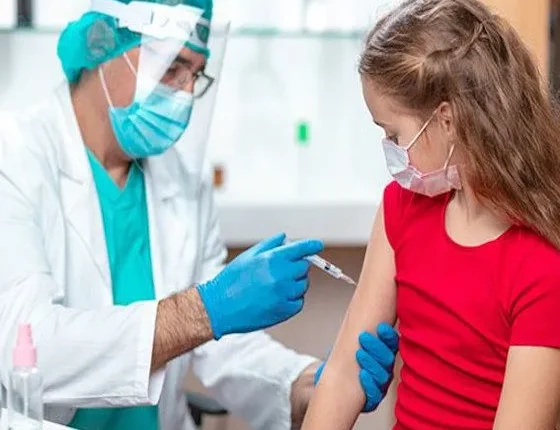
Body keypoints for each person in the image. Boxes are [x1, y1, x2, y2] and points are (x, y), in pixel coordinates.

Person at [0, 0, 399, 429]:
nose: (185, 94)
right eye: (172, 68)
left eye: (195, 75)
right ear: (102, 42)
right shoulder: (14, 158)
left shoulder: (182, 179)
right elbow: (28, 351)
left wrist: (303, 384)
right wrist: (205, 309)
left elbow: (216, 346)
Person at [301, 0, 560, 428]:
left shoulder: (541, 264)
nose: (391, 151)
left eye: (394, 134)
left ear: (447, 121)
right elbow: (344, 373)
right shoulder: (401, 207)